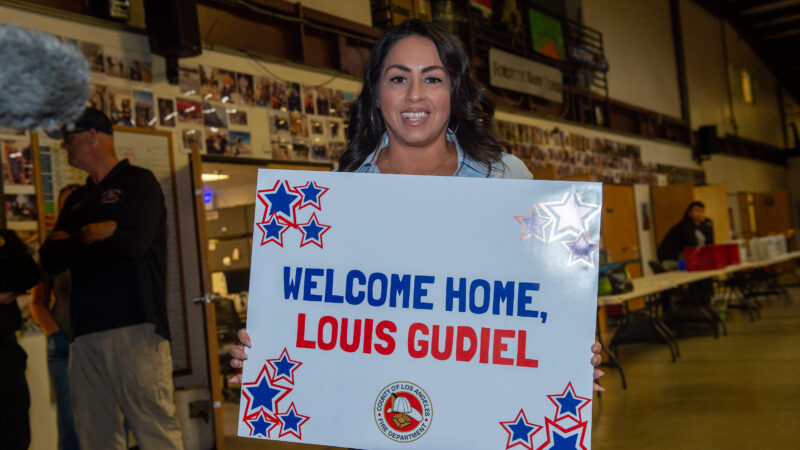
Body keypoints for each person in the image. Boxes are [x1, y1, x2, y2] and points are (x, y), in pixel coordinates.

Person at [230, 20, 604, 390]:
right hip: (375, 415)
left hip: (483, 408)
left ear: (454, 92)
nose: (414, 95)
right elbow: (311, 314)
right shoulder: (333, 196)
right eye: (398, 78)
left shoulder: (506, 179)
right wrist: (263, 352)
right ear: (376, 93)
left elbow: (541, 301)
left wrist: (567, 359)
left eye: (432, 78)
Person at [39, 107, 183, 449]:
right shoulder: (77, 200)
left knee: (155, 431)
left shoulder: (139, 184)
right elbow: (49, 258)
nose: (63, 146)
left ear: (93, 135)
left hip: (136, 328)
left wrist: (75, 244)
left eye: (68, 137)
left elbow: (132, 245)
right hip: (84, 334)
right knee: (96, 437)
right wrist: (91, 234)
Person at [30, 184, 81, 450]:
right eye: (66, 204)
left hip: (96, 340)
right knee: (70, 424)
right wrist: (56, 334)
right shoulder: (53, 250)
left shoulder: (101, 243)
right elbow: (37, 301)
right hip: (64, 343)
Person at [0, 228, 40, 450]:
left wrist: (7, 244)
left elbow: (27, 275)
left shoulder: (6, 239)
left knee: (14, 432)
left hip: (6, 349)